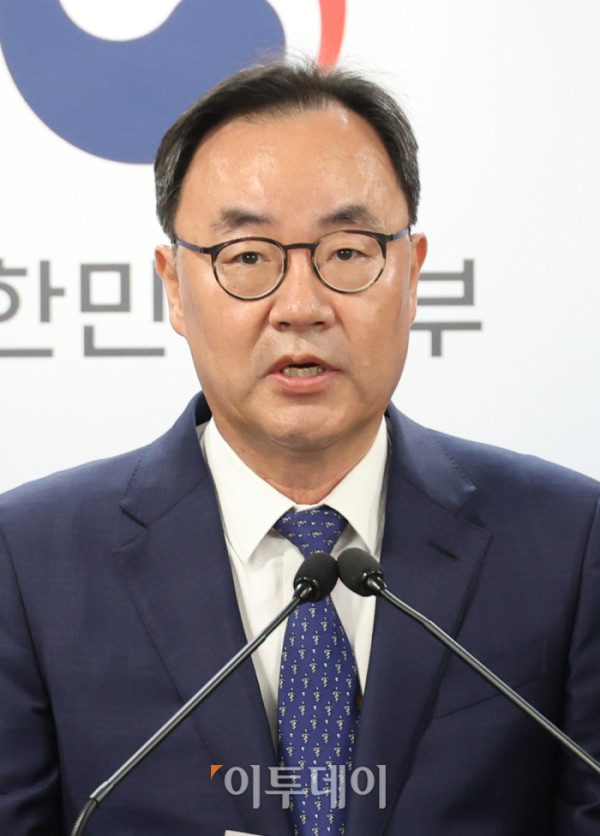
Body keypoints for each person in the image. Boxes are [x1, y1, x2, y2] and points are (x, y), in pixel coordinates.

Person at [1, 60, 599, 836]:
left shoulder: (565, 542)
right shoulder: (30, 561)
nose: (301, 306)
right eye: (248, 256)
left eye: (347, 252)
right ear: (174, 287)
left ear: (412, 275)